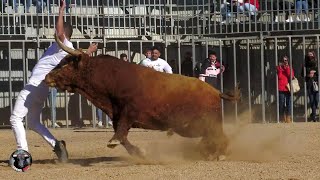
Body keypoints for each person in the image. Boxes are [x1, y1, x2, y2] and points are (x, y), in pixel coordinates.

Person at [9, 0, 98, 163]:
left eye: (61, 31)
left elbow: (59, 31)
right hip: (42, 89)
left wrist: (61, 10)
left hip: (34, 86)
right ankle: (57, 145)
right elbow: (80, 56)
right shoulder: (67, 49)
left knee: (15, 118)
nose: (57, 32)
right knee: (33, 122)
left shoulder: (62, 44)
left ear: (64, 33)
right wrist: (89, 51)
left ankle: (23, 153)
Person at [277, 56, 294, 123]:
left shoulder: (289, 68)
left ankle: (288, 117)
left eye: (286, 60)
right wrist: (281, 68)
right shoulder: (279, 68)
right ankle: (282, 117)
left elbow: (291, 76)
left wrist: (286, 68)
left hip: (288, 88)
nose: (285, 61)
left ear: (288, 61)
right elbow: (279, 76)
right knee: (281, 103)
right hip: (281, 88)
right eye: (284, 60)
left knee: (288, 103)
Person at [303, 51, 319, 122]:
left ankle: (313, 114)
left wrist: (314, 72)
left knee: (316, 100)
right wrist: (308, 75)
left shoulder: (317, 64)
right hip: (309, 84)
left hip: (316, 84)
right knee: (312, 100)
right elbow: (302, 74)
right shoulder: (305, 64)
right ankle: (314, 117)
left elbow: (318, 73)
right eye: (309, 55)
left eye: (311, 54)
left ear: (314, 55)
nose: (310, 56)